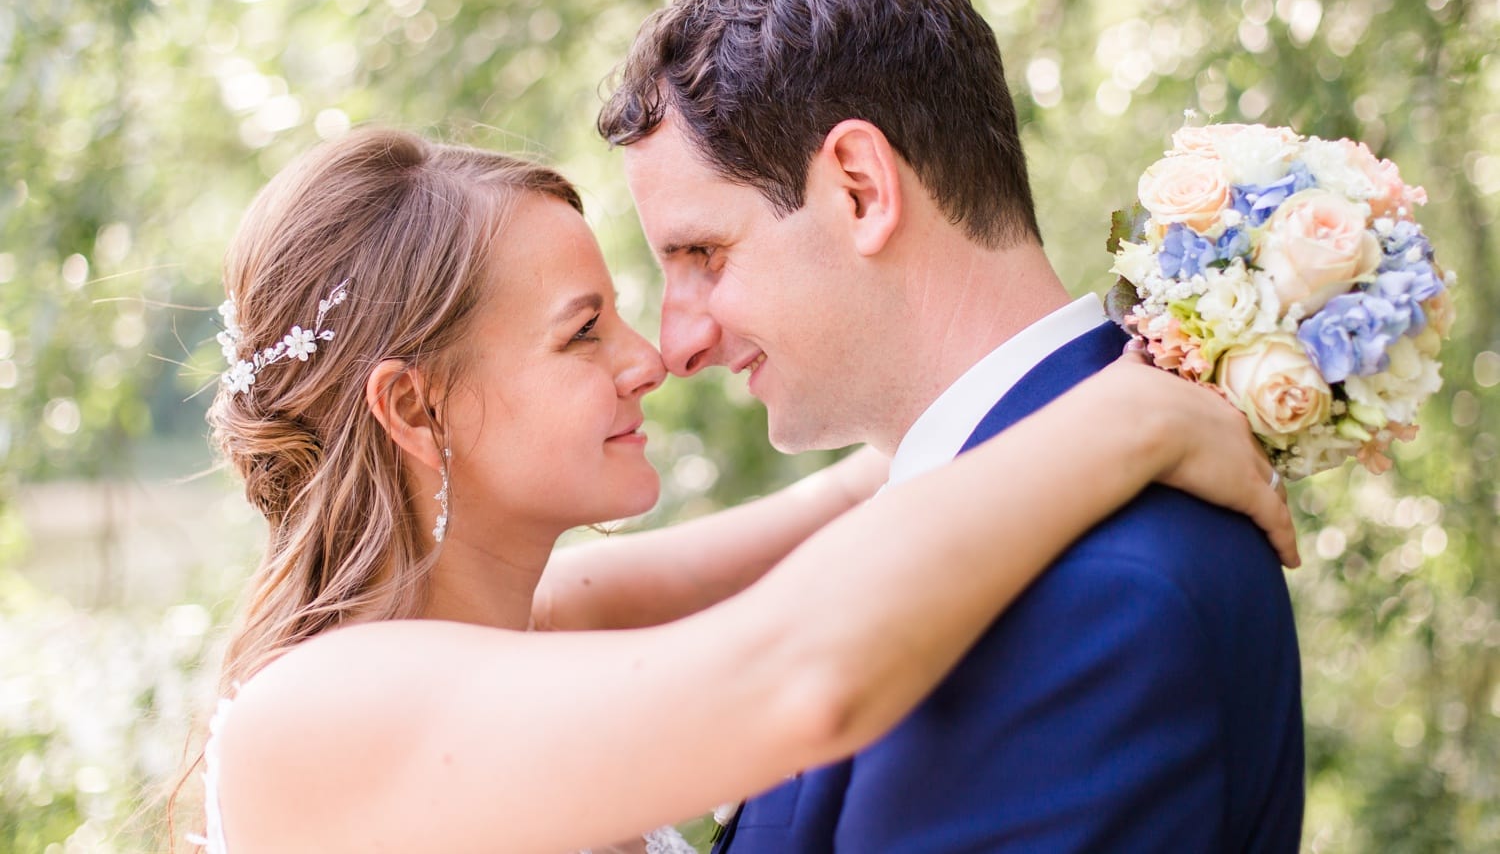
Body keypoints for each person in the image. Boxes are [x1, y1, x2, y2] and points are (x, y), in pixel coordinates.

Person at [187, 127, 1293, 854]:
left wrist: (1153, 352)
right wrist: (1130, 422)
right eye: (582, 333)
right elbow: (807, 674)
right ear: (416, 410)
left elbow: (877, 494)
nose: (651, 355)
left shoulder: (545, 614)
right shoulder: (313, 714)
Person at [599, 0, 1305, 852]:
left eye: (704, 254)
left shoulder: (1101, 593)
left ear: (860, 187)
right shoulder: (965, 509)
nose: (673, 346)